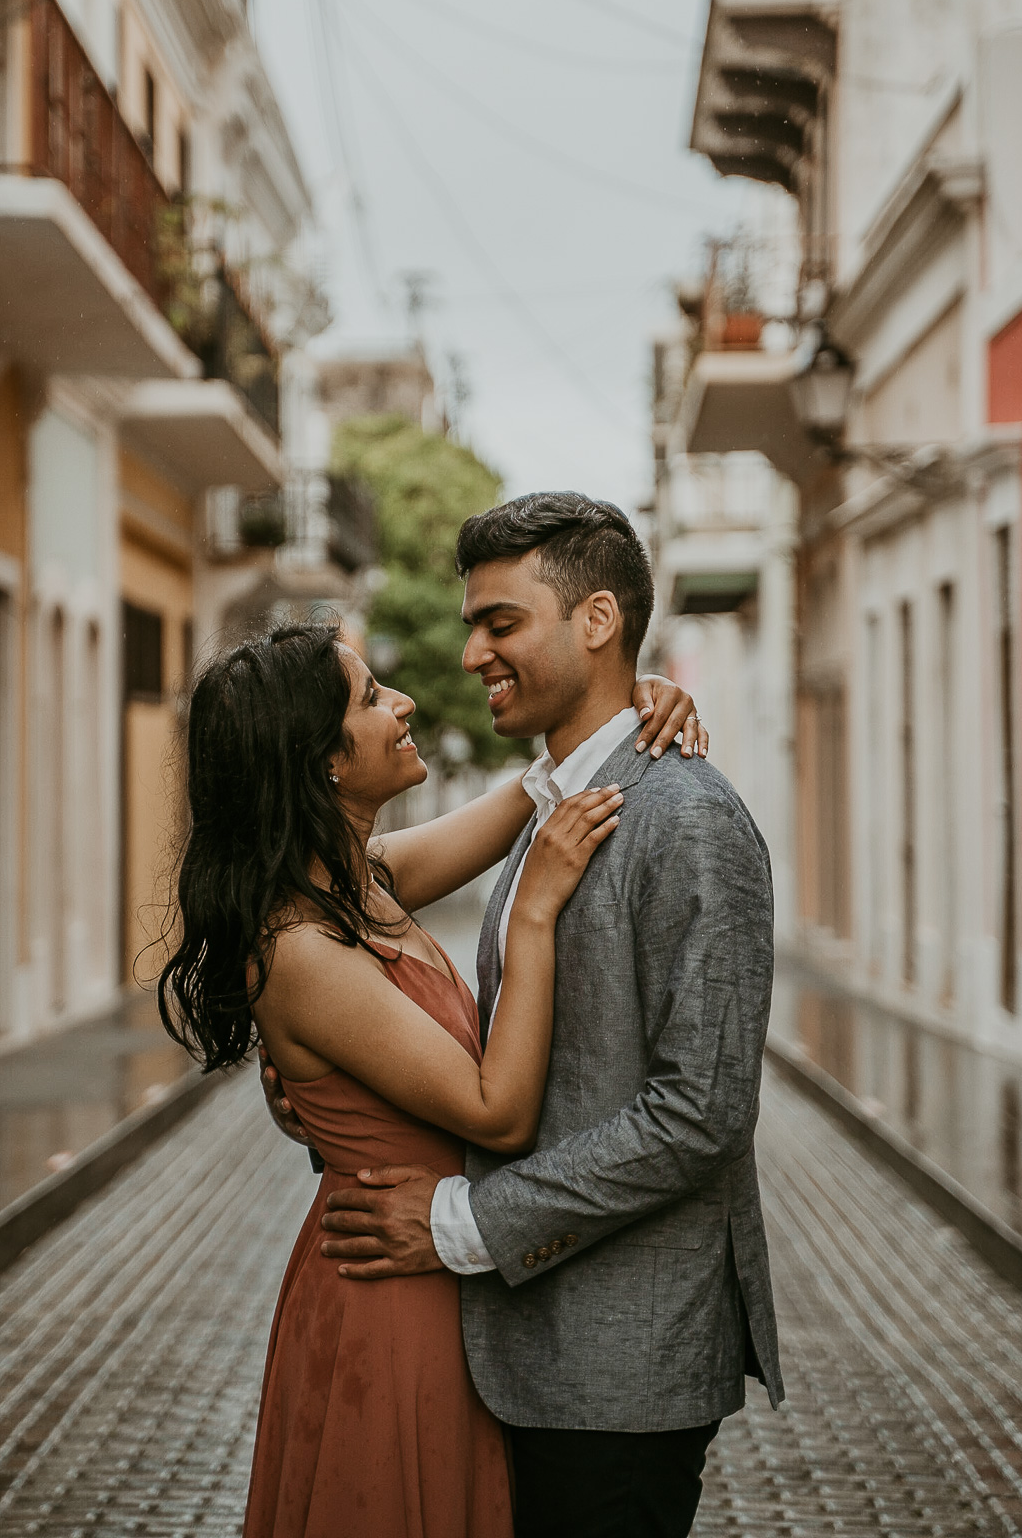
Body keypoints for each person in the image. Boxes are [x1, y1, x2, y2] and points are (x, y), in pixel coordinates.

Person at [297, 492, 784, 1538]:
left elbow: (701, 1114)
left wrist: (462, 1224)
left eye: (501, 623)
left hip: (620, 1371)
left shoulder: (688, 820)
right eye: (473, 624)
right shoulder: (561, 807)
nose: (471, 652)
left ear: (596, 622)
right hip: (522, 1358)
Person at [159, 618, 703, 1538]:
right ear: (321, 762)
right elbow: (497, 1114)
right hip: (392, 1304)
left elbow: (539, 791)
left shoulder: (363, 884)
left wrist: (632, 700)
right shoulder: (300, 950)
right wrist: (530, 916)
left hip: (441, 1274)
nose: (403, 704)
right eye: (371, 700)